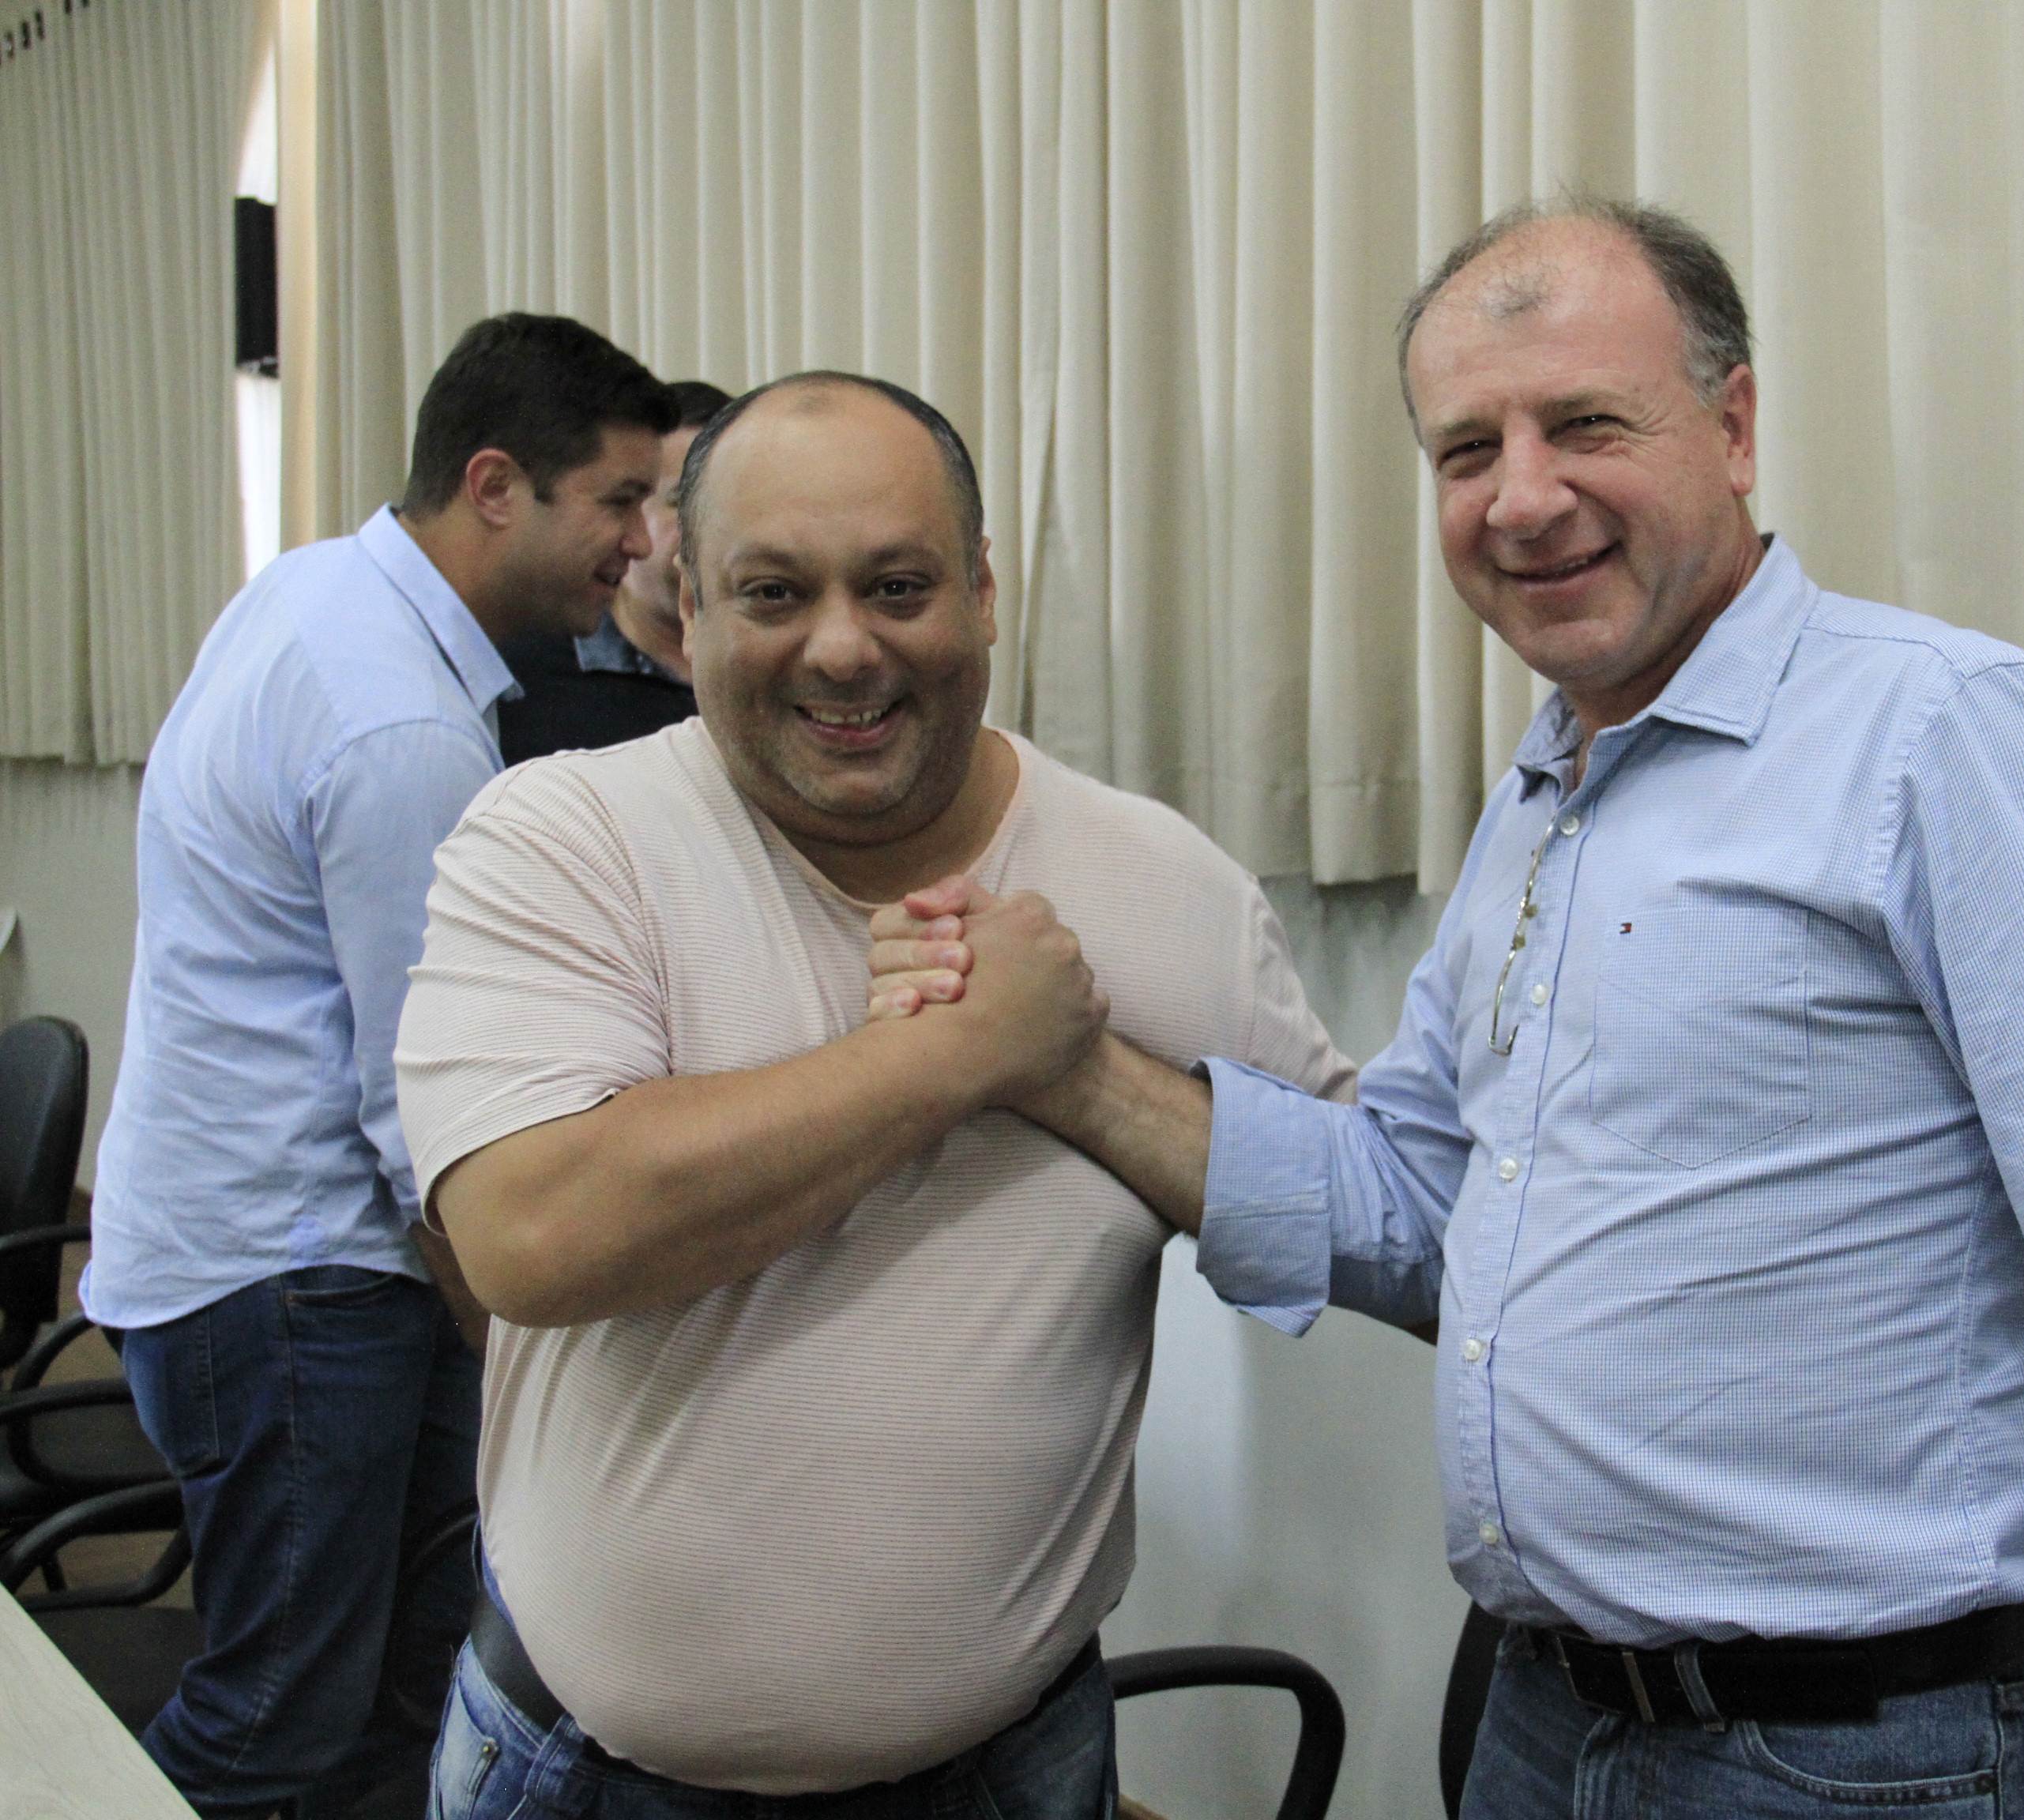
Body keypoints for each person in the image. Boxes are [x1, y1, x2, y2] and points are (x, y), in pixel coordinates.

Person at [884, 197, 2024, 1820]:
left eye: (1586, 424)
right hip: (1548, 1723)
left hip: (1871, 1758)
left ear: (1733, 429)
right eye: (1468, 451)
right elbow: (1416, 1207)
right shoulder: (1548, 791)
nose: (1524, 497)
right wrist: (1068, 1069)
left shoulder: (1945, 737)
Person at [393, 370, 1350, 1816]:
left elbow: (1361, 1220)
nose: (843, 648)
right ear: (688, 606)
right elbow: (535, 1233)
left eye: (898, 586)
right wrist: (953, 1054)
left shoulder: (1167, 886)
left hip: (1020, 1767)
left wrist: (1083, 1076)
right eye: (774, 593)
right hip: (589, 1779)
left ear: (983, 593)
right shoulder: (566, 839)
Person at [85, 313, 671, 1818]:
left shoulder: (317, 590)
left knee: (397, 1689)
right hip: (294, 1278)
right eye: (617, 500)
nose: (641, 543)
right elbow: (432, 1117)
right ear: (495, 485)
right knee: (275, 1719)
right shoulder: (398, 722)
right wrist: (523, 1344)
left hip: (245, 1245)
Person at [497, 378, 732, 762]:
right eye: (683, 502)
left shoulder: (785, 669)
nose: (713, 527)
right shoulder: (525, 679)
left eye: (730, 503)